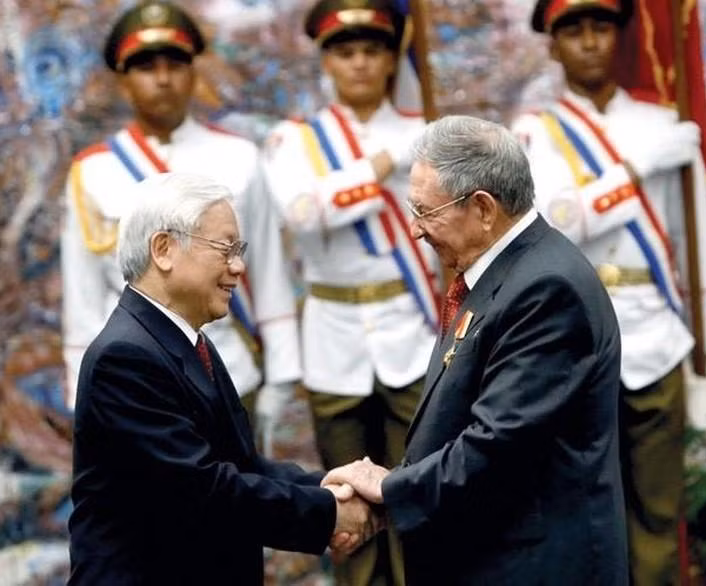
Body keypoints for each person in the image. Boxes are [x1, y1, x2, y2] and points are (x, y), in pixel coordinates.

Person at [323, 115, 628, 585]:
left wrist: (392, 488)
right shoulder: (504, 273)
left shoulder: (545, 289)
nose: (416, 230)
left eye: (426, 212)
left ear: (483, 209)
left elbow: (499, 447)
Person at [67, 172, 379, 585]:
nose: (238, 266)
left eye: (239, 249)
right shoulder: (125, 359)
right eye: (225, 248)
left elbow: (240, 464)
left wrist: (328, 483)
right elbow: (203, 491)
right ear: (164, 249)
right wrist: (333, 511)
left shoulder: (184, 341)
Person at [510, 1, 706, 583]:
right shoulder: (532, 134)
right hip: (570, 338)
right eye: (572, 30)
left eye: (600, 27)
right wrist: (634, 171)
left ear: (620, 37)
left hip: (657, 335)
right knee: (577, 508)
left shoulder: (664, 125)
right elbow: (555, 219)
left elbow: (694, 243)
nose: (588, 42)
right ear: (552, 44)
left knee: (658, 511)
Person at [60, 1, 298, 450]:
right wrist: (81, 388)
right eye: (146, 65)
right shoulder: (92, 171)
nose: (163, 78)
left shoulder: (239, 158)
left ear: (193, 72)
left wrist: (282, 376)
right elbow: (82, 293)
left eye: (175, 63)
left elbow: (267, 270)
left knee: (238, 506)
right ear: (123, 80)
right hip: (131, 376)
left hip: (225, 365)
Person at [262, 1, 441, 584]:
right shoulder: (296, 140)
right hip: (333, 336)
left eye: (373, 50)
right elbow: (304, 212)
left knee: (419, 497)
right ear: (326, 60)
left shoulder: (431, 132)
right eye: (345, 52)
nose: (360, 63)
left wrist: (415, 148)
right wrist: (386, 162)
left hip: (411, 327)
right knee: (347, 504)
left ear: (392, 59)